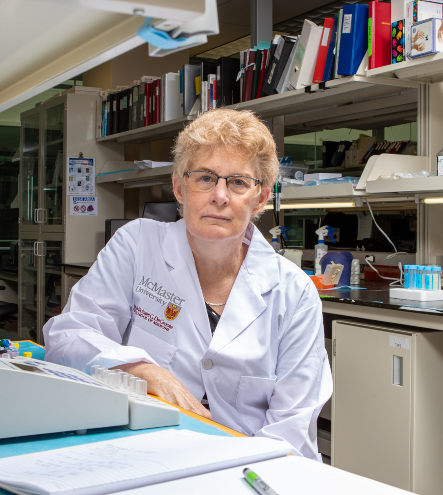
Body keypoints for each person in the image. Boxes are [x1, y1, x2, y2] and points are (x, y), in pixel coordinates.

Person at [43, 109, 332, 459]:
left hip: (249, 471)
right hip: (143, 448)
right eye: (206, 178)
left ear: (260, 198)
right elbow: (68, 337)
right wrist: (142, 369)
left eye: (239, 182)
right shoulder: (137, 245)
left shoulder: (294, 293)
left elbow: (292, 429)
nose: (220, 196)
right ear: (180, 187)